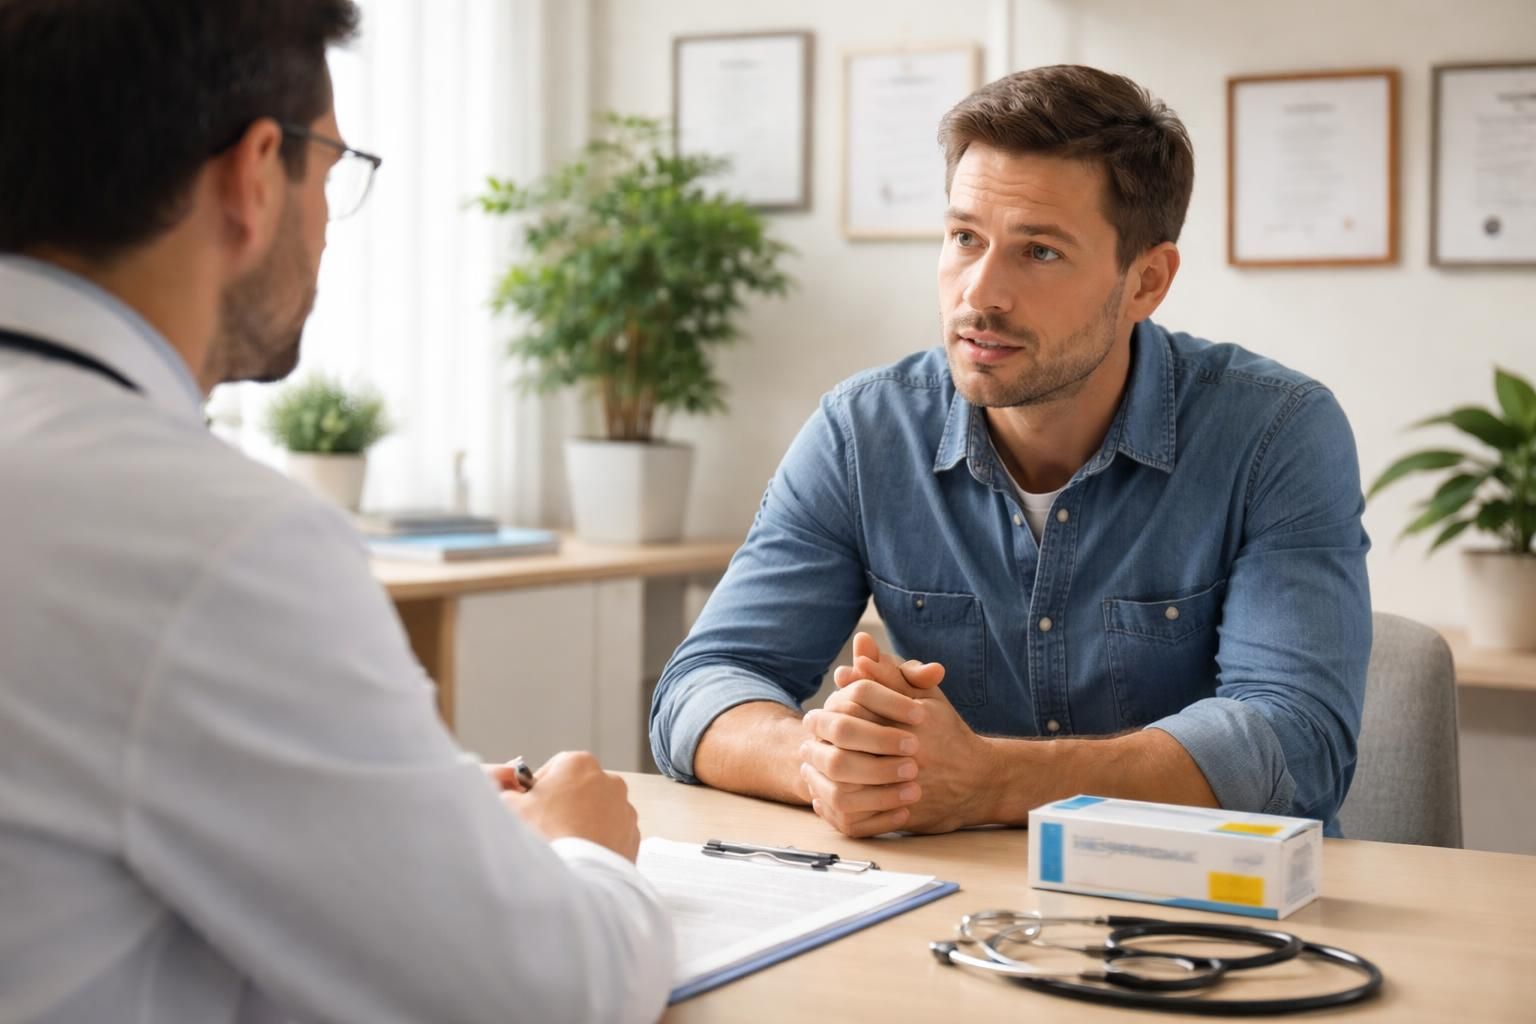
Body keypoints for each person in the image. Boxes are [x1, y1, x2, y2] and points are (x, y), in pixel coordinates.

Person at [0, 3, 671, 1021]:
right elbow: (542, 993)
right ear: (254, 174)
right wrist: (582, 848)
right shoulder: (209, 537)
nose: (325, 220)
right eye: (330, 168)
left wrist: (402, 800)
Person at [650, 64, 1371, 841]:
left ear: (1146, 281)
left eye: (1040, 252)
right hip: (953, 897)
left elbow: (1298, 744)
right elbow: (701, 686)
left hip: (1208, 898)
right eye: (965, 238)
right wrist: (827, 763)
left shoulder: (1275, 433)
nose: (979, 293)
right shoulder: (864, 432)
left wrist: (991, 782)